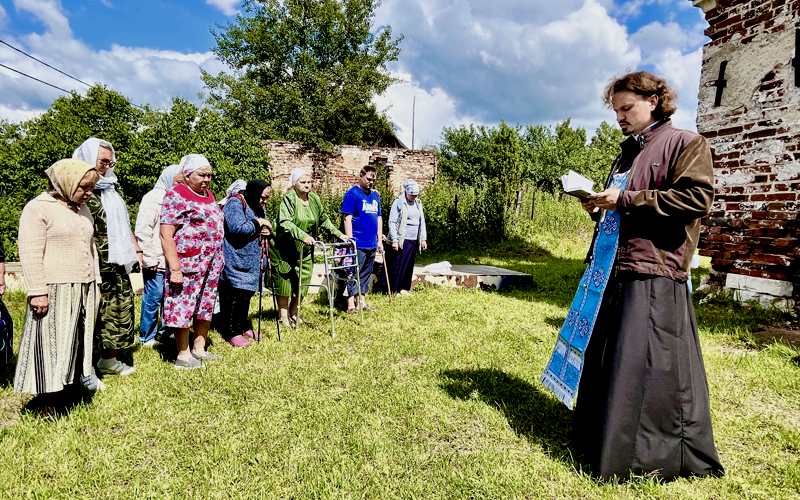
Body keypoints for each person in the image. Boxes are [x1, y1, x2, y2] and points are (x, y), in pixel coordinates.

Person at [556, 71, 724, 480]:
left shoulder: (686, 143)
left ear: (655, 100)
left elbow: (695, 199)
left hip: (655, 268)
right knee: (612, 360)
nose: (621, 118)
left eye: (627, 108)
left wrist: (626, 199)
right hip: (614, 267)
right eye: (616, 112)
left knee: (646, 365)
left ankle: (648, 456)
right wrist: (598, 206)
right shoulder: (628, 153)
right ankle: (599, 438)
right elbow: (627, 205)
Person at [13, 159, 105, 393]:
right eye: (83, 187)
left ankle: (69, 387)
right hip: (54, 288)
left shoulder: (82, 209)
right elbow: (30, 252)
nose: (88, 193)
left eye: (91, 188)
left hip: (83, 286)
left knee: (74, 341)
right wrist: (37, 292)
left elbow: (90, 247)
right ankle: (45, 400)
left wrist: (96, 283)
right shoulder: (38, 208)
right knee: (49, 344)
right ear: (65, 182)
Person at [73, 138, 140, 378]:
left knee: (115, 310)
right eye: (102, 160)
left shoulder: (111, 188)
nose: (107, 166)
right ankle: (83, 367)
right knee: (90, 313)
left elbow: (122, 225)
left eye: (110, 161)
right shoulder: (75, 189)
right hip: (91, 262)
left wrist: (134, 250)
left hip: (115, 262)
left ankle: (108, 360)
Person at [160, 154, 225, 369]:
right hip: (188, 263)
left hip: (211, 264)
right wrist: (175, 268)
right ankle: (182, 353)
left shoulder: (209, 194)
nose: (207, 179)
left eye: (209, 175)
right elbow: (166, 234)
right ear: (187, 175)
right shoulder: (176, 195)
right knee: (183, 305)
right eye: (201, 175)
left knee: (205, 304)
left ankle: (199, 347)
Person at [272, 168, 347, 327]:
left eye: (309, 182)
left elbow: (324, 220)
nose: (307, 185)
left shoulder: (314, 199)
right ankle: (283, 315)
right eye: (303, 182)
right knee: (285, 281)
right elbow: (285, 222)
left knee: (304, 280)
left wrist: (340, 234)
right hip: (286, 246)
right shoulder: (289, 198)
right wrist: (302, 235)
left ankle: (294, 311)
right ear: (294, 184)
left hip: (306, 248)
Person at [215, 179, 272, 347]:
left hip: (251, 259)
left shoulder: (258, 206)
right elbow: (237, 229)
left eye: (267, 198)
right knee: (234, 294)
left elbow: (263, 224)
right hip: (235, 258)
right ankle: (230, 330)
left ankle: (241, 325)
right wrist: (258, 223)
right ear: (254, 193)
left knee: (246, 294)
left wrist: (266, 228)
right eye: (263, 197)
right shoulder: (235, 203)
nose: (265, 201)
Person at [134, 164, 180, 347]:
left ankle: (165, 331)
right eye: (177, 181)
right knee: (153, 297)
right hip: (155, 257)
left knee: (168, 297)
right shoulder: (153, 199)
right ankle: (147, 336)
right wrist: (148, 257)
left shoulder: (174, 198)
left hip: (169, 258)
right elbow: (143, 229)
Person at [340, 166, 383, 312]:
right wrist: (350, 239)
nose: (371, 182)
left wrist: (379, 240)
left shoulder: (375, 196)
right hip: (357, 242)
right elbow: (347, 218)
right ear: (361, 176)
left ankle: (362, 301)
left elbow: (379, 218)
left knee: (366, 273)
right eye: (368, 179)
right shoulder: (352, 194)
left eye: (373, 180)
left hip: (371, 242)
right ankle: (350, 303)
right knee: (353, 271)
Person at [387, 179, 428, 294]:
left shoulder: (418, 203)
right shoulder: (399, 202)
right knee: (398, 265)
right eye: (412, 194)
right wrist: (395, 240)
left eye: (416, 195)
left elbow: (422, 221)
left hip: (414, 239)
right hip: (402, 239)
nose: (414, 197)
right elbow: (392, 222)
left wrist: (423, 238)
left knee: (409, 265)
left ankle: (404, 288)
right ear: (406, 192)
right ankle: (395, 289)